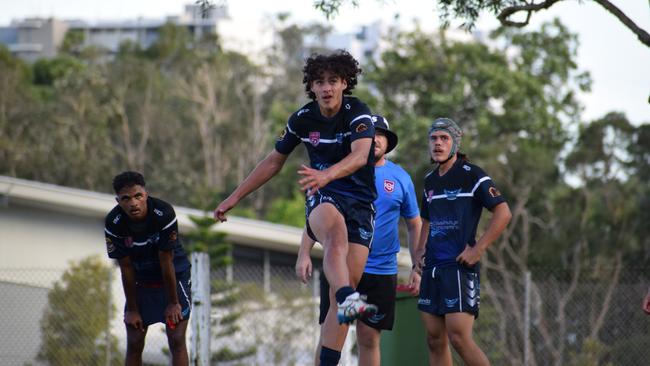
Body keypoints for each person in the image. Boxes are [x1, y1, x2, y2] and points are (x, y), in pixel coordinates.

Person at [214, 50, 378, 366]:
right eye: (320, 82)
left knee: (340, 297)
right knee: (335, 238)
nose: (327, 88)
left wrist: (327, 172)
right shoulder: (302, 119)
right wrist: (235, 197)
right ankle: (347, 296)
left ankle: (342, 306)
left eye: (333, 81)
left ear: (345, 83)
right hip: (322, 194)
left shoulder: (358, 112)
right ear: (311, 87)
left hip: (359, 202)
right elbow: (274, 160)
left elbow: (360, 156)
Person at [296, 115, 423, 366]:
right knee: (329, 333)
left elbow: (414, 224)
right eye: (369, 133)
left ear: (388, 142)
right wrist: (303, 253)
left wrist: (418, 266)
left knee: (368, 339)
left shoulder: (400, 177)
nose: (374, 139)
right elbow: (318, 214)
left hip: (382, 269)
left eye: (381, 134)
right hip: (342, 266)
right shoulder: (341, 171)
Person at [416, 118, 512, 366]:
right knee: (434, 340)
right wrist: (418, 255)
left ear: (455, 143)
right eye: (434, 138)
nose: (438, 143)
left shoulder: (473, 175)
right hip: (432, 269)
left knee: (458, 338)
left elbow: (503, 213)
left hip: (458, 268)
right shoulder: (429, 180)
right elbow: (426, 220)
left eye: (444, 138)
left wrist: (478, 249)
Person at [105, 171, 192, 366]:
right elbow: (126, 268)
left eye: (138, 196)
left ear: (146, 194)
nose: (133, 203)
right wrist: (133, 310)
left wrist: (172, 303)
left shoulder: (163, 213)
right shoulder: (114, 223)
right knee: (135, 340)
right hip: (141, 280)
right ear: (118, 200)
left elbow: (165, 261)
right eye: (126, 199)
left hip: (173, 276)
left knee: (176, 338)